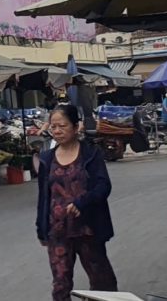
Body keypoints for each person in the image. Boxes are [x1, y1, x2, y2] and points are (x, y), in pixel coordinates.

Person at [36, 104, 117, 301]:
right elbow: (43, 196)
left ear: (76, 126)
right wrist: (41, 227)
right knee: (61, 283)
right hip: (58, 230)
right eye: (53, 127)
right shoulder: (46, 159)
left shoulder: (91, 154)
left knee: (102, 281)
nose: (56, 131)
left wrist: (82, 203)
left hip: (88, 228)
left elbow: (103, 186)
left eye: (62, 126)